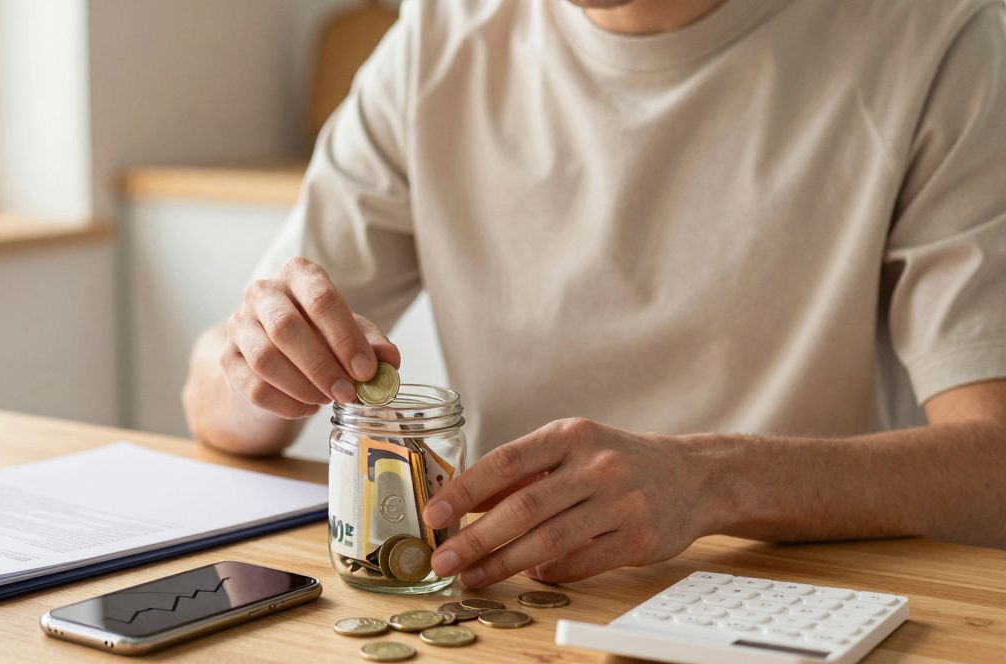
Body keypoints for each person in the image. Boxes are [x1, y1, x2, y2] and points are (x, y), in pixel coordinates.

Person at [183, 0, 1006, 588]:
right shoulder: (440, 35)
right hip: (518, 602)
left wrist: (713, 482)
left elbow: (993, 466)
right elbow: (214, 396)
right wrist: (263, 366)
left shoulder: (935, 34)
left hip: (808, 599)